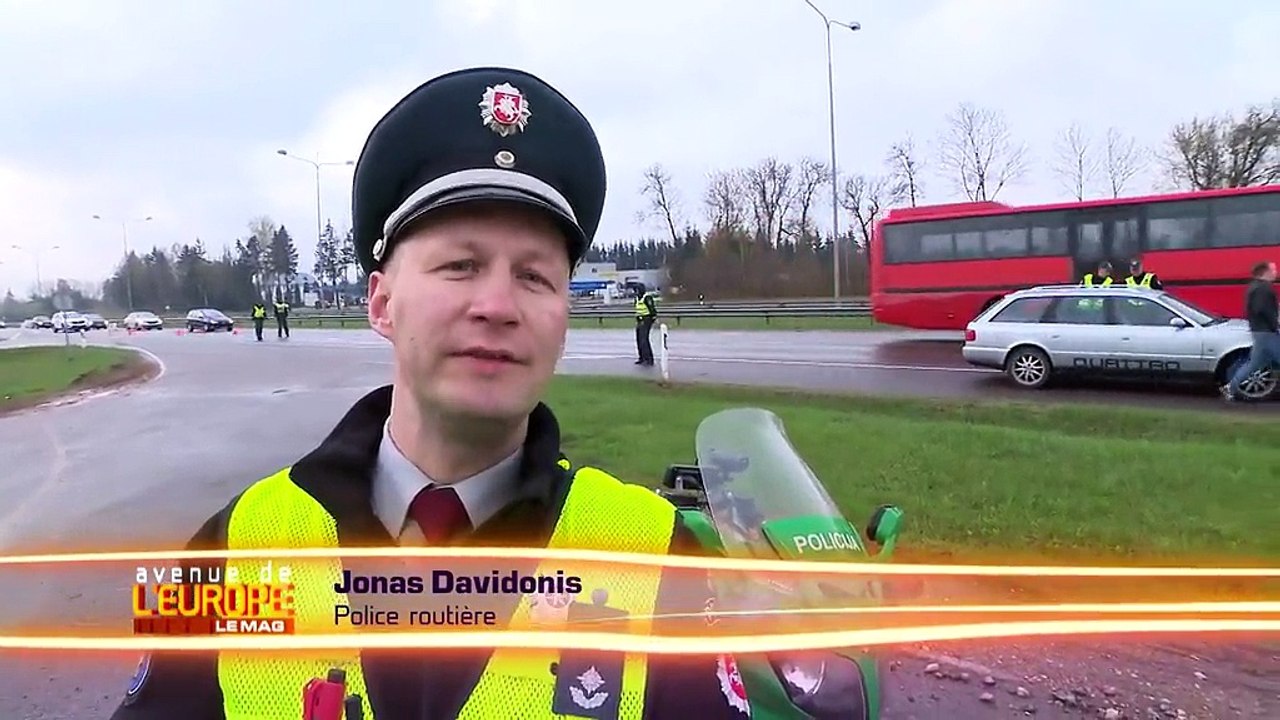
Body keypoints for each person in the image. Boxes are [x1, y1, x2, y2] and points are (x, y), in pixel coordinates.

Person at [110, 67, 868, 720]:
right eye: (461, 265)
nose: (498, 305)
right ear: (380, 302)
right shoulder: (232, 551)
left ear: (563, 316)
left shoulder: (652, 557)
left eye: (535, 275)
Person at [1222, 260, 1279, 402]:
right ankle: (1230, 388)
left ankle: (1230, 388)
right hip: (1267, 333)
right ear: (1265, 272)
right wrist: (1275, 324)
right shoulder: (1264, 288)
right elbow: (1263, 310)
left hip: (1259, 331)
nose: (1276, 273)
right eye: (1273, 270)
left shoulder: (1253, 287)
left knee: (1253, 365)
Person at [634, 283, 658, 366]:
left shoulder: (647, 297)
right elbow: (637, 309)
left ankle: (649, 359)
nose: (636, 292)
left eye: (637, 290)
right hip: (640, 320)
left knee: (644, 340)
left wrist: (653, 318)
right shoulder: (637, 298)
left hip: (647, 319)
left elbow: (652, 309)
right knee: (639, 339)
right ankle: (642, 357)